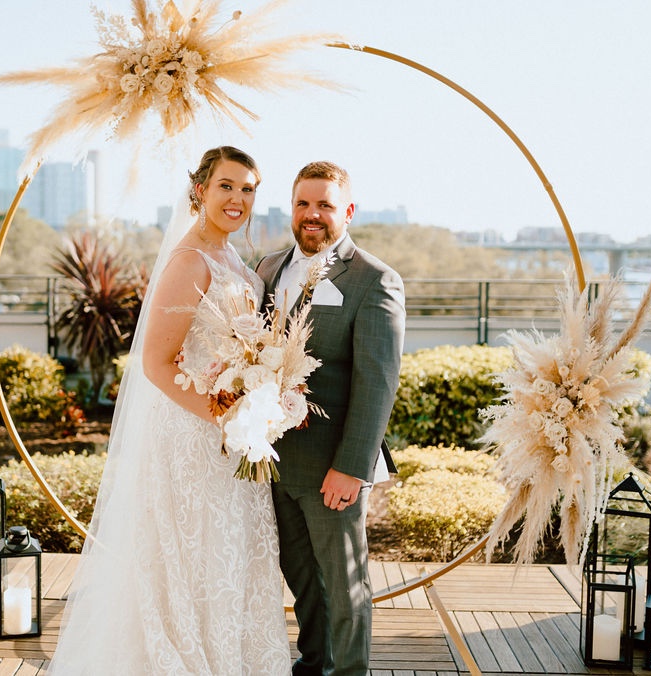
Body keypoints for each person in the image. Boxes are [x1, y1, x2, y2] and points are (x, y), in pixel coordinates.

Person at [48, 146, 290, 675]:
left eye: (248, 189)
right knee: (194, 556)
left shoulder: (232, 259)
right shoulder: (189, 261)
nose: (237, 199)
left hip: (235, 437)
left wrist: (258, 403)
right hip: (195, 435)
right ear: (200, 190)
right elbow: (156, 364)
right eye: (226, 186)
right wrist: (224, 416)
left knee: (229, 556)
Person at [255, 161, 406, 675]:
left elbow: (377, 382)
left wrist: (352, 466)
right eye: (303, 203)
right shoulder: (268, 268)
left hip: (332, 468)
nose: (312, 214)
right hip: (275, 462)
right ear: (291, 208)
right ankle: (312, 665)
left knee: (345, 584)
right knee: (302, 581)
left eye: (324, 204)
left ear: (348, 210)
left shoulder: (373, 279)